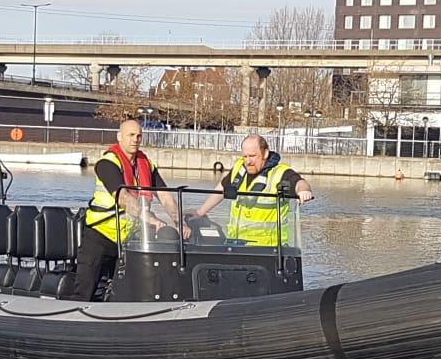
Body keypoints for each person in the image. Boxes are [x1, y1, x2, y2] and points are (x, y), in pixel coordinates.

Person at [77, 119, 186, 300]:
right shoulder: (107, 163)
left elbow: (165, 196)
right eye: (131, 135)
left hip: (129, 240)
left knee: (127, 290)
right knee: (85, 289)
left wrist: (179, 222)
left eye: (139, 136)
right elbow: (124, 198)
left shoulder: (146, 164)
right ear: (120, 137)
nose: (135, 139)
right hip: (100, 235)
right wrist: (150, 218)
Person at [189, 134, 314, 246]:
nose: (248, 161)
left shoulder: (280, 173)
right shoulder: (239, 168)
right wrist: (200, 212)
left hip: (269, 249)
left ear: (265, 153)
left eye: (253, 156)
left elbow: (299, 183)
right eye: (245, 156)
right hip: (237, 244)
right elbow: (222, 188)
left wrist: (304, 191)